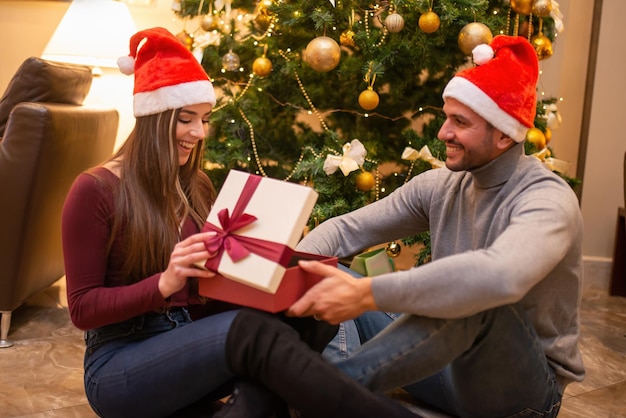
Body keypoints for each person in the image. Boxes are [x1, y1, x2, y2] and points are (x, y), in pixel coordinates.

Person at [61, 27, 422, 418]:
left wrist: (272, 275)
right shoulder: (95, 189)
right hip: (119, 364)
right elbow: (82, 309)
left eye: (203, 120)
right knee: (251, 335)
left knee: (304, 317)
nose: (198, 134)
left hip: (189, 347)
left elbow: (209, 296)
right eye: (186, 120)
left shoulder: (194, 185)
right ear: (154, 117)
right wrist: (164, 283)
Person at [289, 35, 585, 418]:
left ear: (503, 133)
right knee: (327, 272)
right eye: (447, 117)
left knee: (479, 299)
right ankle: (331, 394)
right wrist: (291, 272)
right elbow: (345, 231)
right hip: (443, 368)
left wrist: (369, 293)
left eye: (460, 122)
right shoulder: (440, 186)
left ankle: (326, 391)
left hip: (520, 393)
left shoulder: (547, 199)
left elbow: (498, 278)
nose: (443, 132)